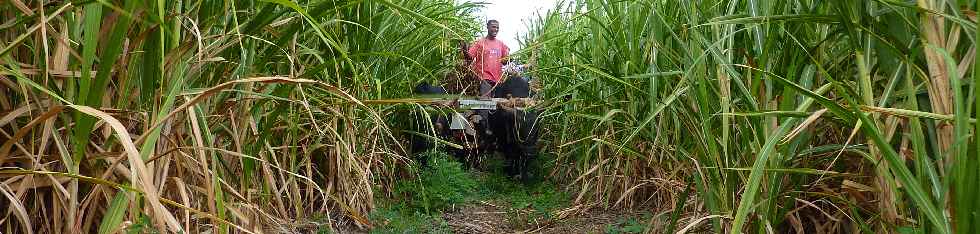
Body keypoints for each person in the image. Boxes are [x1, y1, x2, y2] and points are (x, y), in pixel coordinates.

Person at [467, 20, 510, 98]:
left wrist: (507, 59)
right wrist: (464, 49)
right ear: (487, 27)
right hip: (484, 78)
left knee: (497, 105)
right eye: (493, 27)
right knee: (485, 103)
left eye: (497, 28)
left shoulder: (501, 44)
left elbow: (504, 61)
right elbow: (470, 57)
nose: (496, 29)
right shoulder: (479, 43)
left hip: (498, 79)